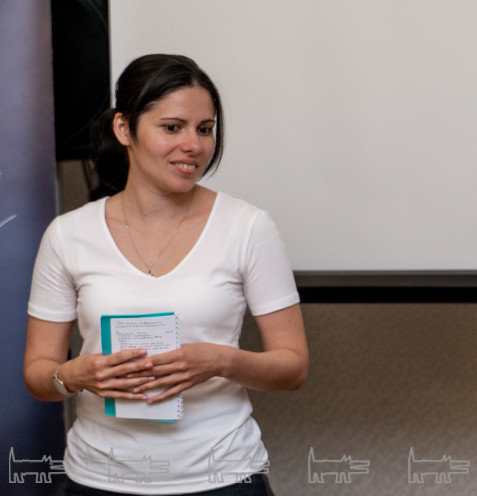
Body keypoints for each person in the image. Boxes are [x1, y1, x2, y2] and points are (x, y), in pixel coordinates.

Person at [24, 54, 308, 496]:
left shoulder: (248, 227)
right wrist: (75, 375)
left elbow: (292, 366)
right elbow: (38, 374)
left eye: (205, 129)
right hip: (99, 479)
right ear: (124, 129)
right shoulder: (68, 234)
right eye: (172, 127)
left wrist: (221, 361)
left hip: (222, 477)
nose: (193, 145)